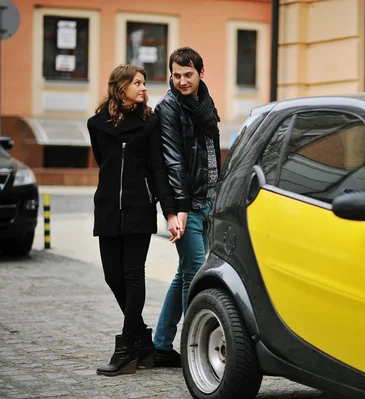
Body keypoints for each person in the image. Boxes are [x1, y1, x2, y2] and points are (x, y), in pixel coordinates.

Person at [88, 64, 182, 376]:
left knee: (131, 275)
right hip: (106, 209)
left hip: (139, 208)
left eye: (143, 83)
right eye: (137, 83)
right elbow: (105, 163)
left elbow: (157, 167)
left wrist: (169, 210)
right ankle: (143, 339)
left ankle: (127, 347)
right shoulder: (97, 124)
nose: (143, 88)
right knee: (112, 277)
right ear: (121, 86)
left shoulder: (148, 121)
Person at [152, 47, 221, 367]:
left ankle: (161, 344)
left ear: (201, 73)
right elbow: (173, 162)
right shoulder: (168, 108)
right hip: (188, 205)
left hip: (208, 199)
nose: (181, 81)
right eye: (176, 75)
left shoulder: (205, 104)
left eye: (188, 74)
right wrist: (178, 209)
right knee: (195, 271)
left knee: (185, 273)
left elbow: (210, 152)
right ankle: (194, 347)